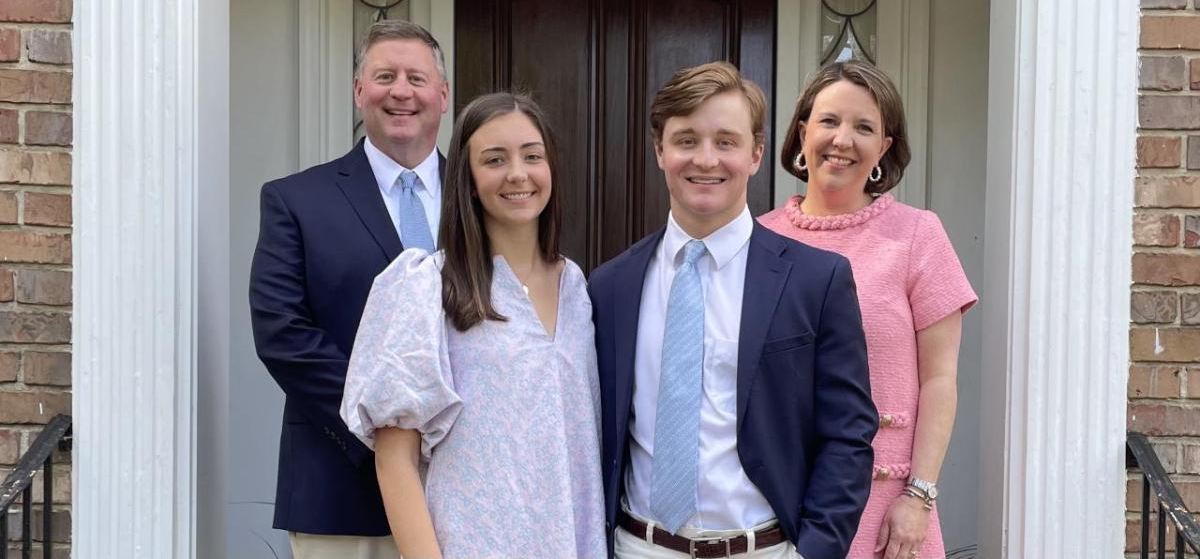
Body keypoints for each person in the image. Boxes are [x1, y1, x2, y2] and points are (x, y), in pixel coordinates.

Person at [589, 61, 878, 559]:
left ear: (755, 154)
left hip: (764, 549)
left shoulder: (816, 280)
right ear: (660, 150)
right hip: (639, 546)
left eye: (726, 141)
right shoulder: (610, 286)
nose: (706, 159)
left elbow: (848, 436)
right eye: (686, 140)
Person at [340, 92, 607, 559]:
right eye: (495, 160)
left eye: (532, 156)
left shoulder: (576, 286)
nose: (518, 174)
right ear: (467, 177)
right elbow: (394, 460)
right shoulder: (427, 287)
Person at [759, 60, 977, 559]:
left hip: (887, 510)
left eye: (864, 128)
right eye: (829, 121)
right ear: (802, 132)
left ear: (883, 147)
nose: (843, 140)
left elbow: (939, 380)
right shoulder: (759, 240)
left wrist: (918, 496)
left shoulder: (917, 235)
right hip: (781, 508)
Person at [248, 19, 448, 558]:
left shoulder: (484, 203)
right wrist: (389, 429)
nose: (401, 91)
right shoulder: (296, 200)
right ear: (360, 91)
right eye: (384, 76)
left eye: (416, 77)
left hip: (468, 488)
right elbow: (283, 335)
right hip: (340, 492)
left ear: (443, 95)